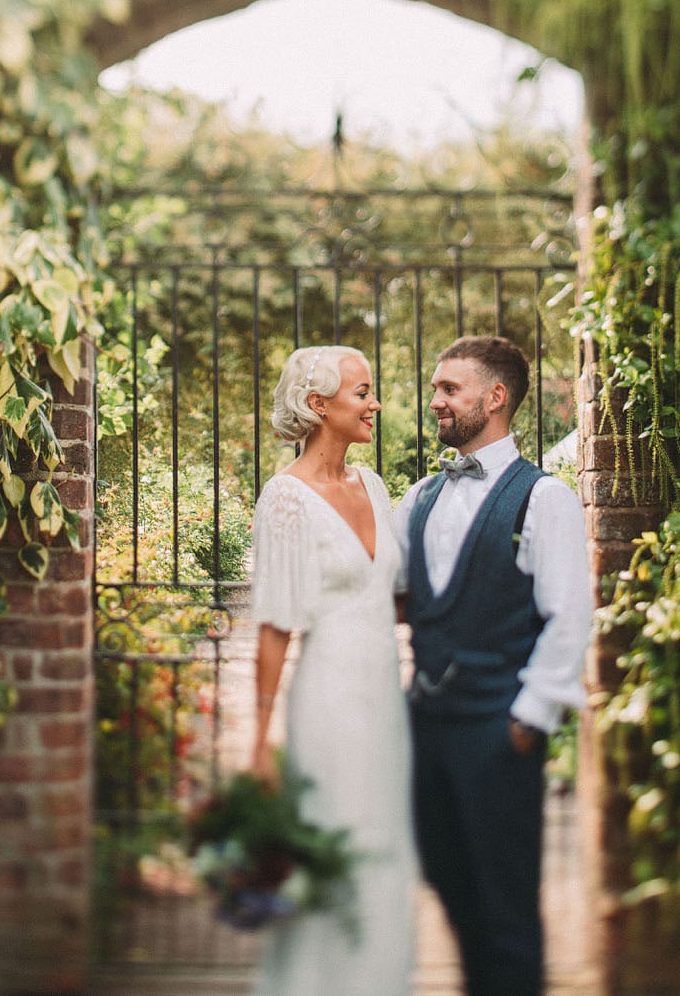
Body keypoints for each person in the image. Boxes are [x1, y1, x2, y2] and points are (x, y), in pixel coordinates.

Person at [394, 335, 592, 996]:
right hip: (427, 730)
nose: (436, 401)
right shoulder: (419, 497)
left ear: (496, 396)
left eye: (450, 388)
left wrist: (526, 720)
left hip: (497, 733)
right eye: (435, 389)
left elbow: (569, 617)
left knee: (506, 907)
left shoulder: (544, 498)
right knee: (452, 888)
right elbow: (394, 591)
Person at [247, 344, 417, 996]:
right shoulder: (284, 499)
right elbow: (273, 626)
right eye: (362, 392)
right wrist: (259, 741)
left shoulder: (375, 485)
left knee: (383, 853)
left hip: (383, 698)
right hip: (327, 700)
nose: (375, 403)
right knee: (330, 849)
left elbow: (396, 592)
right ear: (319, 406)